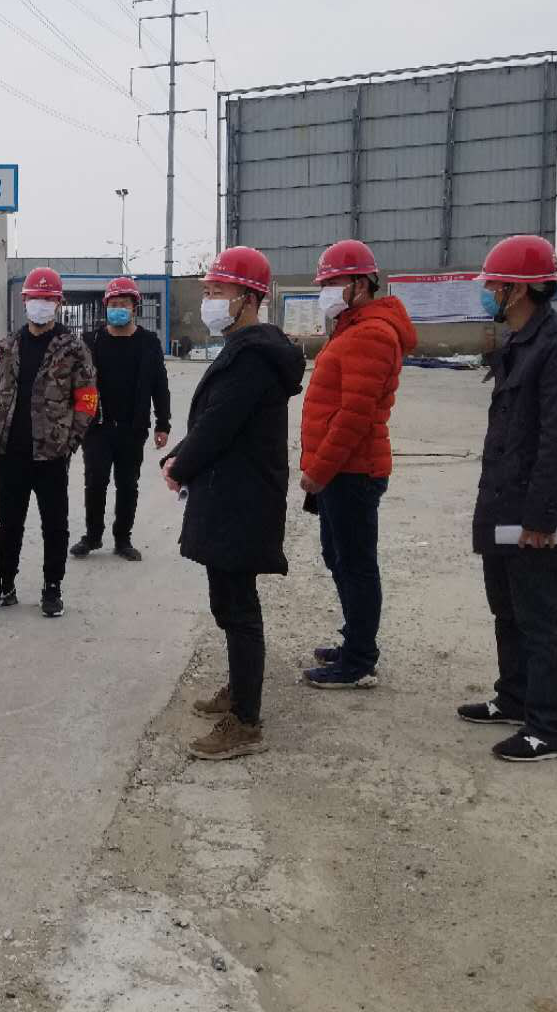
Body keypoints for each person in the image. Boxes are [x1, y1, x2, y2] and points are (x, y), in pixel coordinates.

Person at [163, 247, 304, 760]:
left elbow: (220, 424)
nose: (208, 300)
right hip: (230, 491)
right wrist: (182, 454)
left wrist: (181, 464)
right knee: (226, 599)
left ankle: (245, 720)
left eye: (217, 291)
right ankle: (239, 688)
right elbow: (214, 418)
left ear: (248, 298)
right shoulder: (244, 348)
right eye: (206, 291)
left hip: (242, 496)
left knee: (239, 607)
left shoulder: (253, 356)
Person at [458, 235, 557, 762]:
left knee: (542, 615)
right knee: (508, 609)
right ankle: (514, 697)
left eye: (493, 284)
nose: (487, 291)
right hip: (504, 501)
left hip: (536, 511)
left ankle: (551, 726)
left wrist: (542, 516)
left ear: (517, 289)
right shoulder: (518, 341)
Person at [298, 239, 417, 690]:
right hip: (341, 470)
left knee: (356, 564)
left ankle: (360, 660)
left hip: (352, 470)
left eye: (332, 283)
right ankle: (355, 642)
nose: (325, 291)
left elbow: (354, 417)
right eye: (323, 284)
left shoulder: (371, 334)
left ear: (361, 284)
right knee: (339, 557)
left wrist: (318, 471)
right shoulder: (352, 327)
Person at [0, 267, 97, 618]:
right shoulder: (7, 346)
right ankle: (5, 583)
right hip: (8, 452)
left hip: (51, 454)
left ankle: (52, 586)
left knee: (54, 525)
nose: (40, 304)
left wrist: (70, 441)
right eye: (34, 298)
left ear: (58, 303)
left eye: (47, 298)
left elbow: (87, 399)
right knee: (9, 523)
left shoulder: (73, 349)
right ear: (24, 301)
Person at [73, 276, 172, 562]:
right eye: (113, 304)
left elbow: (159, 385)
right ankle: (92, 536)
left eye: (123, 304)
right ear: (106, 306)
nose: (118, 308)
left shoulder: (148, 343)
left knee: (128, 485)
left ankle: (122, 539)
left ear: (134, 307)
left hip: (133, 428)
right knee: (95, 483)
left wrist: (162, 423)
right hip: (97, 428)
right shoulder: (91, 341)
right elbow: (77, 384)